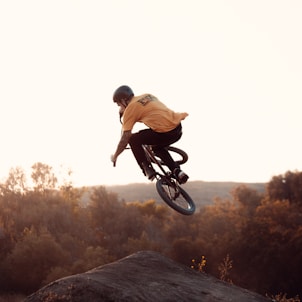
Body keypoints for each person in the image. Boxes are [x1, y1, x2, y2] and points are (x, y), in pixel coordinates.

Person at [110, 85, 189, 184]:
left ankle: (147, 169)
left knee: (133, 139)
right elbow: (153, 112)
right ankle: (178, 172)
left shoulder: (130, 109)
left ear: (123, 100)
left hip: (165, 133)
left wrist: (115, 156)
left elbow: (125, 137)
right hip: (177, 128)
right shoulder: (147, 95)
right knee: (157, 148)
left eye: (119, 104)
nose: (120, 107)